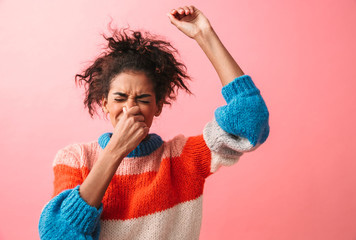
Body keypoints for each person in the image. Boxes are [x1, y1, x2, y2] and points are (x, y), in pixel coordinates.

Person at [38, 5, 270, 240]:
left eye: (142, 99)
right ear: (104, 103)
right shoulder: (75, 159)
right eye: (119, 98)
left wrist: (204, 34)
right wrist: (116, 150)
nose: (131, 108)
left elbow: (250, 119)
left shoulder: (183, 159)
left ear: (158, 106)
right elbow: (58, 235)